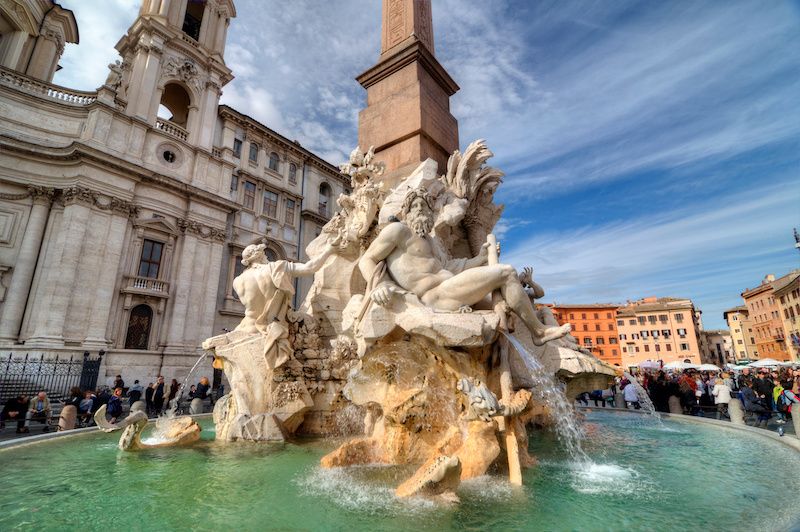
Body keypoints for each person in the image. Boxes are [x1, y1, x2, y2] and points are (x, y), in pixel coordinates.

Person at [358, 188, 571, 345]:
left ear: (431, 213)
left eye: (424, 206)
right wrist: (379, 285)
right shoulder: (398, 231)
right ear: (407, 212)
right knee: (506, 272)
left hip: (450, 289)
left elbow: (450, 266)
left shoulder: (431, 241)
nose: (420, 209)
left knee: (508, 308)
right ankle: (539, 332)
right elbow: (366, 259)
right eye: (415, 206)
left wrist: (480, 258)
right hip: (434, 297)